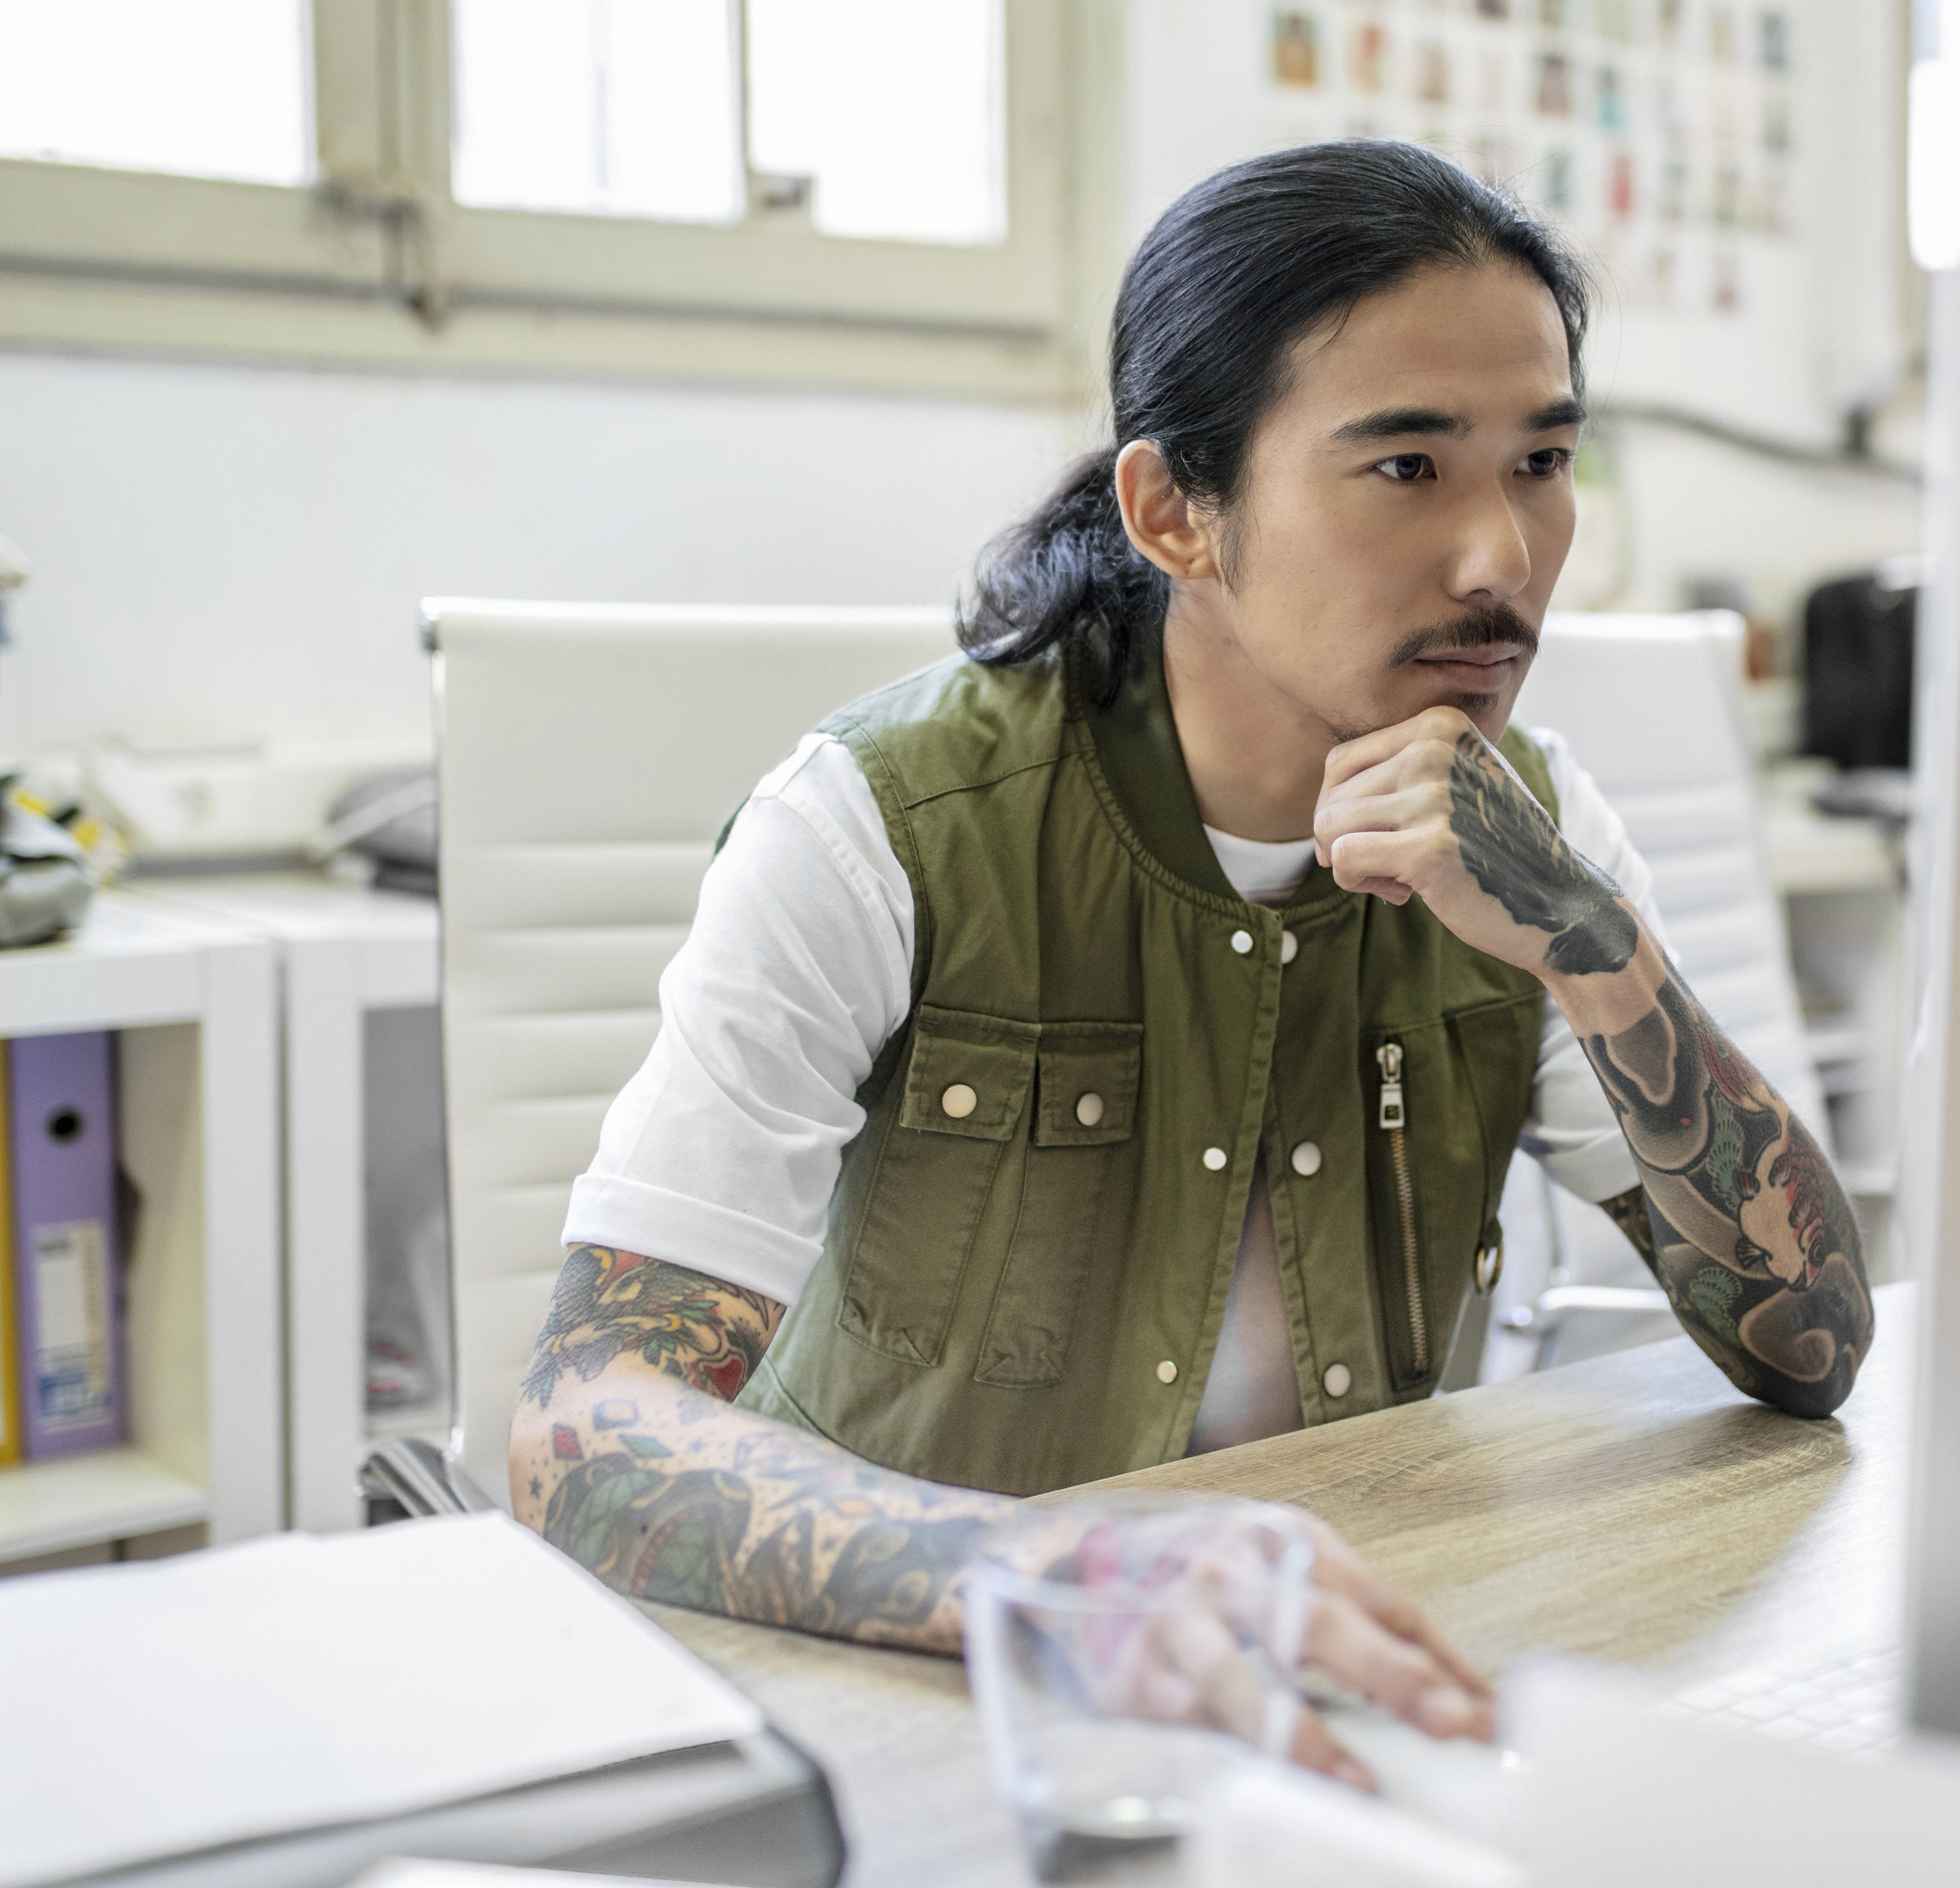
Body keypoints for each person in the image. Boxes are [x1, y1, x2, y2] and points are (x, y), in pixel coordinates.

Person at [509, 140, 1874, 1784]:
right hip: (927, 1700)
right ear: (1174, 510)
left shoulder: (1534, 827)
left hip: (1339, 1687)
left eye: (1541, 460)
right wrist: (1033, 1573)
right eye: (1405, 468)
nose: (1500, 558)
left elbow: (1807, 1348)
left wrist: (1593, 950)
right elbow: (583, 1427)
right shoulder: (880, 824)